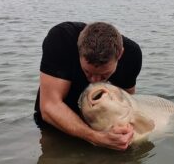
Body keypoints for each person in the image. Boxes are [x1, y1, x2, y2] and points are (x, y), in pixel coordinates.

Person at [34, 21, 142, 150]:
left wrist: (122, 135)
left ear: (120, 55)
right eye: (87, 72)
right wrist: (96, 138)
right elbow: (49, 106)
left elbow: (128, 102)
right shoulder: (61, 39)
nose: (94, 81)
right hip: (56, 123)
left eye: (103, 75)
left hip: (98, 125)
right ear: (78, 51)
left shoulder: (132, 55)